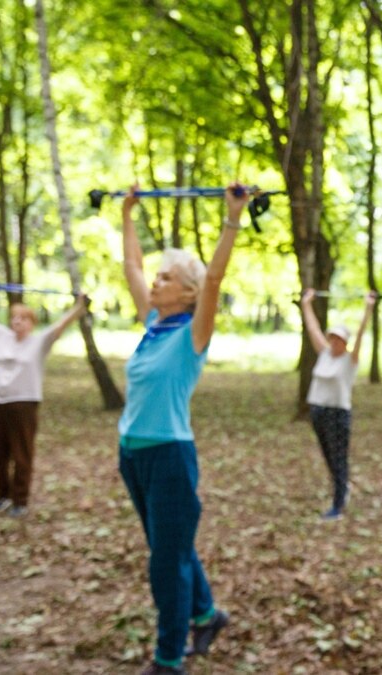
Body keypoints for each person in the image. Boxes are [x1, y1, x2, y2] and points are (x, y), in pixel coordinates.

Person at [118, 183, 253, 674]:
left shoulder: (194, 331)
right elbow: (131, 268)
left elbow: (215, 278)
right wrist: (128, 215)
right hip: (132, 453)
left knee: (165, 564)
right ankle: (206, 614)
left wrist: (232, 218)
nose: (155, 282)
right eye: (157, 277)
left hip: (170, 457)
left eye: (166, 277)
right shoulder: (152, 322)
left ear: (189, 291)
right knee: (168, 547)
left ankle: (169, 658)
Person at [0, 278, 86, 518]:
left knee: (22, 453)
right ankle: (2, 496)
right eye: (15, 318)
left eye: (23, 318)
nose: (18, 322)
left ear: (32, 323)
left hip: (24, 404)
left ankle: (20, 500)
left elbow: (63, 323)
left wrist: (79, 305)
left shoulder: (40, 341)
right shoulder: (2, 336)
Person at [299, 288, 376, 520]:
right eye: (332, 337)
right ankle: (343, 490)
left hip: (337, 414)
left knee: (338, 458)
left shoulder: (349, 361)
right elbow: (312, 328)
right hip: (318, 411)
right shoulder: (323, 354)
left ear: (345, 342)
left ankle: (338, 505)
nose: (334, 342)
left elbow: (362, 334)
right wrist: (306, 304)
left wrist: (368, 308)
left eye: (339, 339)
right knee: (328, 456)